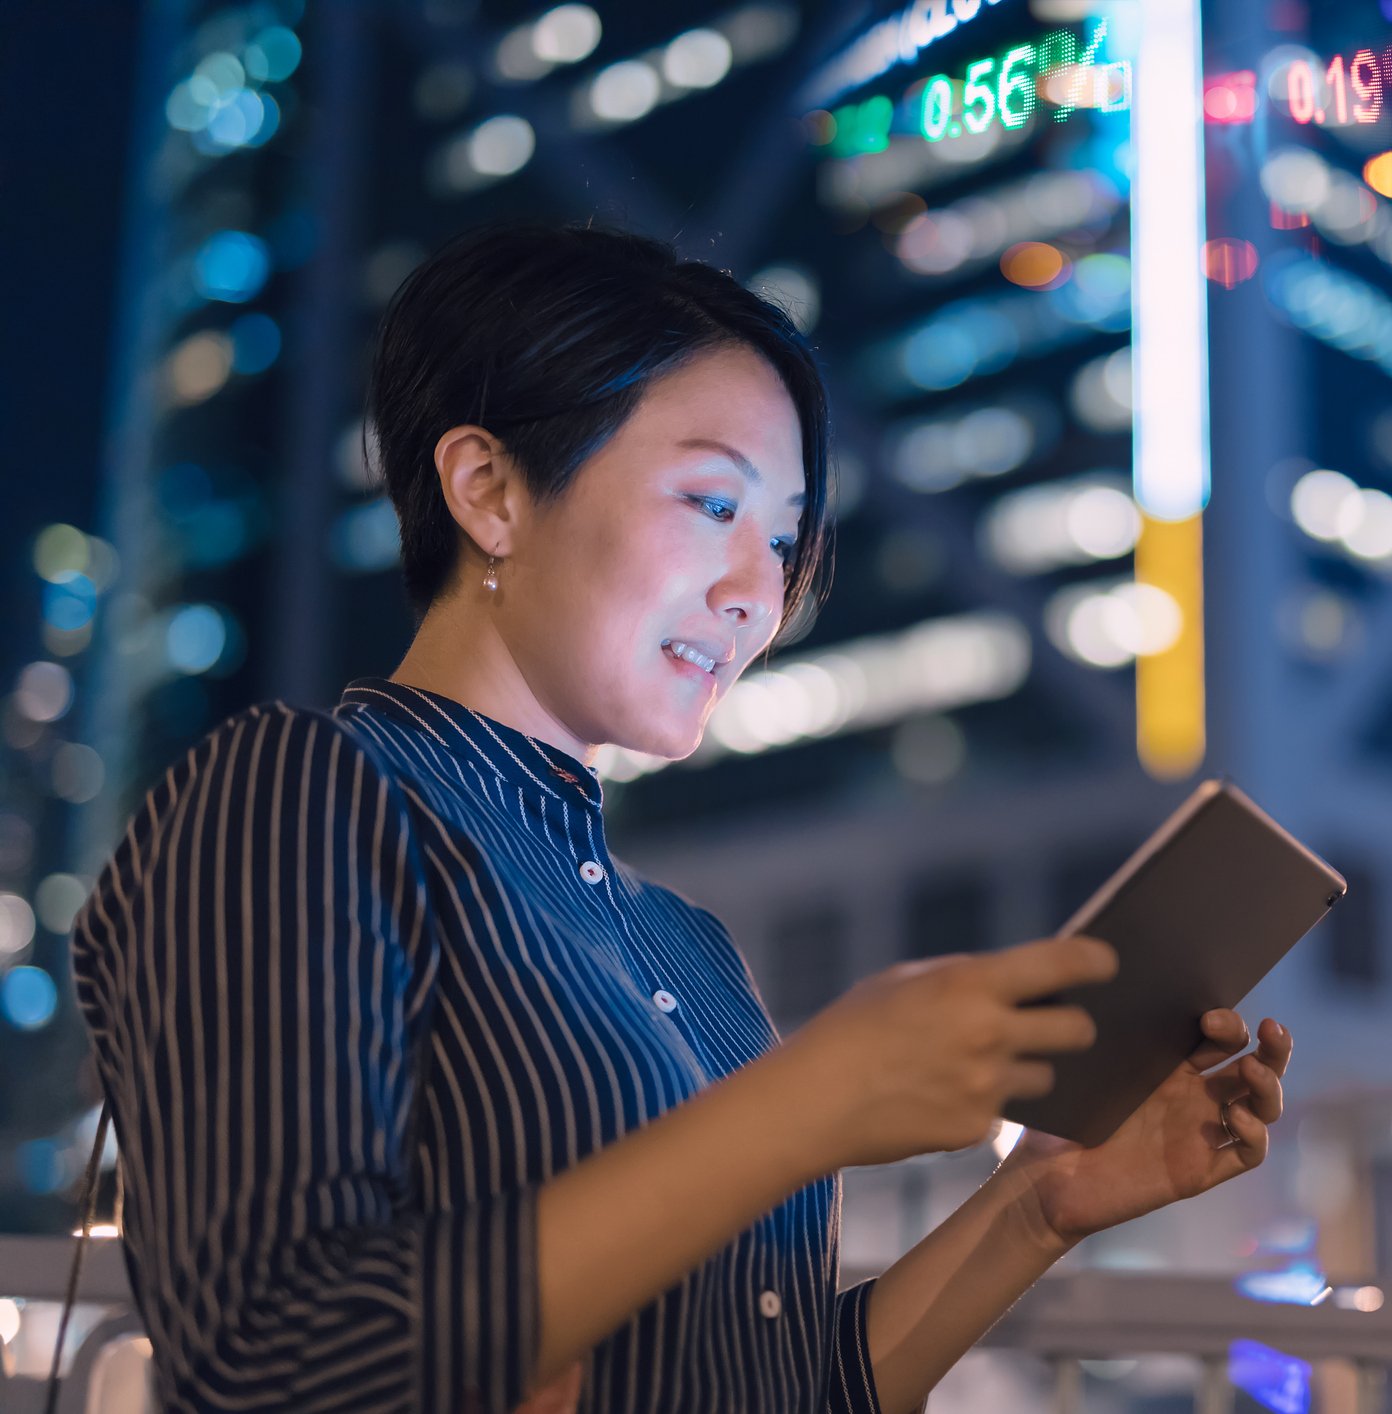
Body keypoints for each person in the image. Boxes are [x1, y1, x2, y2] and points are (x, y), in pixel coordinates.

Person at [67, 220, 1296, 1414]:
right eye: (713, 505)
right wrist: (807, 1102)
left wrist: (1037, 1202)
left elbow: (758, 1382)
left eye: (781, 539)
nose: (757, 594)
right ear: (488, 489)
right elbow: (270, 1352)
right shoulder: (296, 794)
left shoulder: (688, 951)